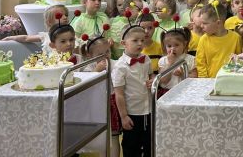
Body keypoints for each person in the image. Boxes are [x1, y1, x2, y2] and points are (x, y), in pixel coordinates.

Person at [112, 24, 153, 157]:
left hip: (148, 110)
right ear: (124, 43)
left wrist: (152, 81)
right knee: (131, 146)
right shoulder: (120, 67)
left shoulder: (146, 59)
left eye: (142, 40)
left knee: (149, 144)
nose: (140, 43)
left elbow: (151, 76)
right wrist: (124, 116)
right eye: (135, 40)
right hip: (132, 112)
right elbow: (119, 94)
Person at [80, 33, 120, 157]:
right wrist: (96, 71)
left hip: (111, 103)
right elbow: (86, 87)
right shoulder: (88, 68)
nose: (105, 56)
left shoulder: (115, 64)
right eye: (100, 54)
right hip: (96, 106)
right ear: (89, 55)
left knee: (113, 137)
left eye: (107, 51)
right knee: (102, 138)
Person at [196, 2, 242, 78]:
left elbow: (239, 60)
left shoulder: (235, 38)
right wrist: (204, 81)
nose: (201, 26)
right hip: (210, 81)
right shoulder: (203, 40)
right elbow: (200, 64)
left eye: (205, 23)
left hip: (231, 80)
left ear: (218, 23)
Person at [2, 4, 68, 54]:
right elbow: (26, 38)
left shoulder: (71, 35)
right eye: (60, 16)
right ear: (49, 22)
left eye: (66, 15)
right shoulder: (46, 36)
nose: (65, 17)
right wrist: (9, 38)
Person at [158, 27, 197, 97]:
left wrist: (183, 74)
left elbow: (195, 78)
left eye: (176, 45)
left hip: (186, 92)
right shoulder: (163, 60)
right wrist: (170, 64)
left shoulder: (190, 59)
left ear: (184, 44)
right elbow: (163, 80)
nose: (172, 48)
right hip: (167, 92)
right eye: (169, 46)